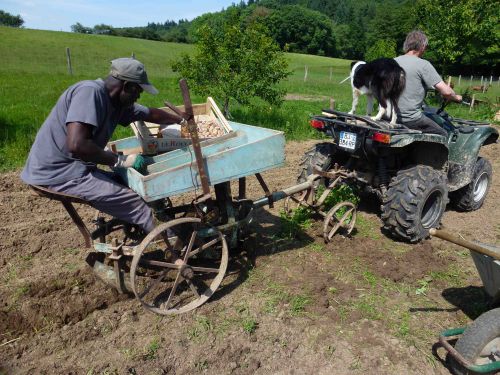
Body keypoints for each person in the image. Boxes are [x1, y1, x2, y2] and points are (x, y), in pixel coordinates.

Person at [21, 57, 188, 234]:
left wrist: (182, 119)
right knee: (136, 204)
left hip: (74, 168)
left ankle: (152, 230)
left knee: (130, 183)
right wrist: (119, 160)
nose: (139, 96)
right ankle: (174, 245)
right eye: (138, 91)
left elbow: (149, 114)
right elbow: (77, 144)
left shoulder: (116, 103)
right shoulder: (89, 93)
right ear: (127, 86)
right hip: (59, 173)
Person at [395, 30, 462, 136]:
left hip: (388, 116)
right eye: (426, 47)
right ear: (422, 46)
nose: (425, 50)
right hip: (410, 119)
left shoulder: (392, 62)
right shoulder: (423, 64)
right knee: (445, 134)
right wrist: (457, 98)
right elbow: (447, 92)